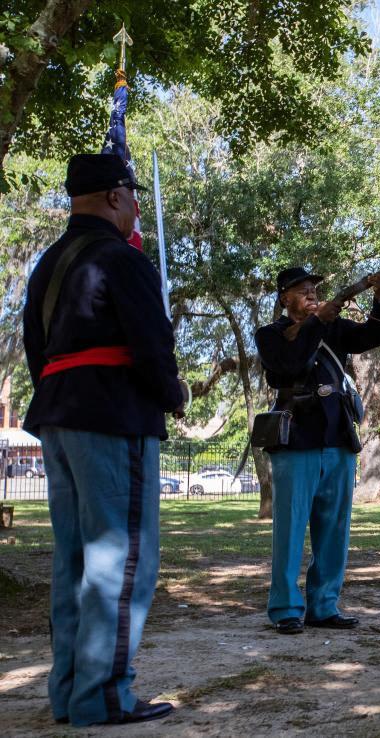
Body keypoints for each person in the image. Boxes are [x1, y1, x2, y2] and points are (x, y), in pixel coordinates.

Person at [22, 153, 186, 726]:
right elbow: (150, 342)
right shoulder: (122, 258)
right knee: (119, 562)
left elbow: (34, 350)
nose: (137, 207)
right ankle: (105, 695)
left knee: (74, 561)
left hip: (58, 413)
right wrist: (172, 393)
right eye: (133, 197)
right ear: (116, 197)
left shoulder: (47, 264)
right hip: (113, 413)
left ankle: (69, 694)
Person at [254, 266, 380, 634]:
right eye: (303, 290)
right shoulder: (269, 334)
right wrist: (318, 322)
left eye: (315, 288)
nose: (312, 294)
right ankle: (285, 607)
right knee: (290, 530)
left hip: (336, 437)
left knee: (334, 529)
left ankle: (324, 604)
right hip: (296, 437)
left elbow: (374, 334)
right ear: (285, 298)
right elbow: (290, 362)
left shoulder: (335, 327)